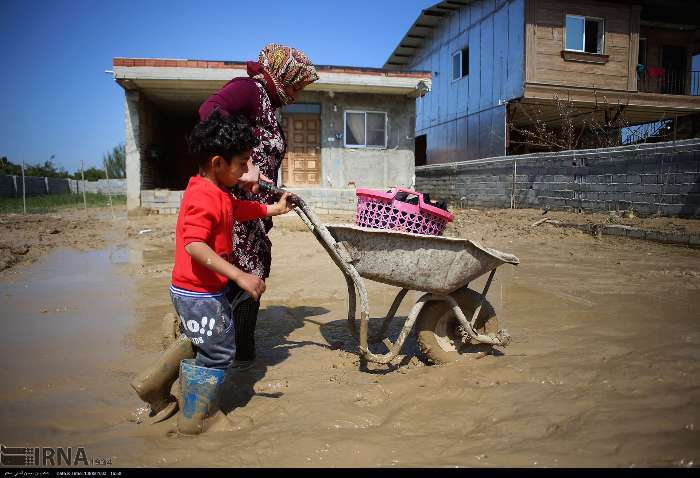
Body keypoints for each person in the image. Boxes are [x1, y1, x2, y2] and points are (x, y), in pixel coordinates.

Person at [132, 111, 294, 435]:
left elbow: (236, 210)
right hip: (198, 292)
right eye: (243, 163)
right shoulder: (204, 197)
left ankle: (152, 384)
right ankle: (198, 419)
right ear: (218, 162)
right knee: (219, 351)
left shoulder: (215, 191)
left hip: (196, 289)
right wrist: (239, 275)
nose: (248, 170)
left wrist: (272, 209)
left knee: (201, 337)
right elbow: (194, 244)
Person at [198, 43, 319, 368]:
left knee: (250, 269)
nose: (296, 93)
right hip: (236, 204)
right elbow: (209, 111)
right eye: (296, 84)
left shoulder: (267, 103)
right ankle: (234, 354)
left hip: (253, 206)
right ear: (281, 74)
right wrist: (246, 162)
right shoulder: (248, 89)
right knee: (248, 271)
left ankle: (226, 348)